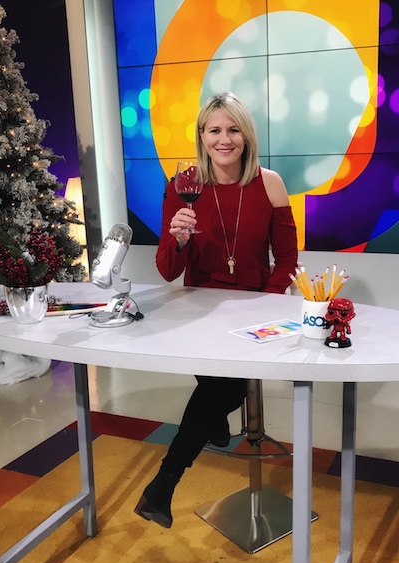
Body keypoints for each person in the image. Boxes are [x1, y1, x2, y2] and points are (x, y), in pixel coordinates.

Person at [134, 92, 298, 528]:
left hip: (253, 309)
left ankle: (163, 485)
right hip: (199, 309)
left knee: (222, 391)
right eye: (214, 130)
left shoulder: (269, 183)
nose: (224, 140)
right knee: (223, 391)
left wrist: (269, 301)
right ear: (201, 136)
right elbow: (168, 270)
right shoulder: (184, 185)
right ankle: (212, 427)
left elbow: (287, 259)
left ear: (247, 135)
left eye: (233, 130)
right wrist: (178, 240)